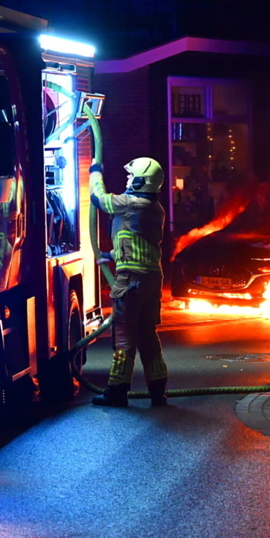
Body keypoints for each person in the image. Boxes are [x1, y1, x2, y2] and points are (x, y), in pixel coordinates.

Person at [89, 156, 169, 407]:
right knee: (147, 334)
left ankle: (117, 391)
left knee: (124, 334)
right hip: (151, 278)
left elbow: (98, 199)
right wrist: (109, 256)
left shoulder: (129, 204)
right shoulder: (155, 209)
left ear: (140, 182)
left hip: (130, 280)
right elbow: (135, 240)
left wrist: (94, 173)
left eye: (131, 176)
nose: (127, 179)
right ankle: (158, 392)